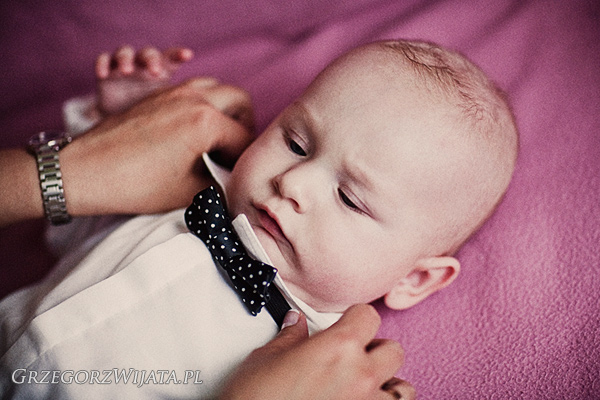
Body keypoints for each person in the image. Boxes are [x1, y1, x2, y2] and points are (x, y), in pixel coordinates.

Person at [0, 38, 518, 399]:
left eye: (350, 199)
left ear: (415, 278)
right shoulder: (189, 191)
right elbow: (75, 230)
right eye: (296, 143)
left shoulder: (315, 369)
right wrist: (109, 124)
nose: (294, 183)